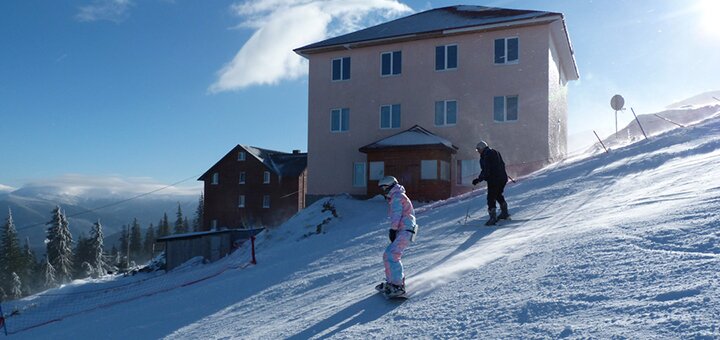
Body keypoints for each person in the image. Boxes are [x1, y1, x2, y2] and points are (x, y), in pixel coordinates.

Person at [374, 176, 417, 297]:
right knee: (388, 254)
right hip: (404, 230)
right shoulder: (398, 196)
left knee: (393, 255)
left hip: (405, 230)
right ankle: (392, 283)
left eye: (385, 187)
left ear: (390, 186)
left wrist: (393, 230)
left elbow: (396, 214)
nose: (384, 190)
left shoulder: (397, 197)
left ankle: (398, 286)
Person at [472, 140, 510, 225]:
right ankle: (504, 213)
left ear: (482, 148)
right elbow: (501, 165)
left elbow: (486, 170)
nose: (478, 151)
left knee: (491, 197)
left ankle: (493, 218)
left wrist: (479, 179)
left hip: (494, 179)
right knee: (498, 194)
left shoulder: (486, 155)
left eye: (478, 149)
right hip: (502, 178)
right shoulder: (495, 152)